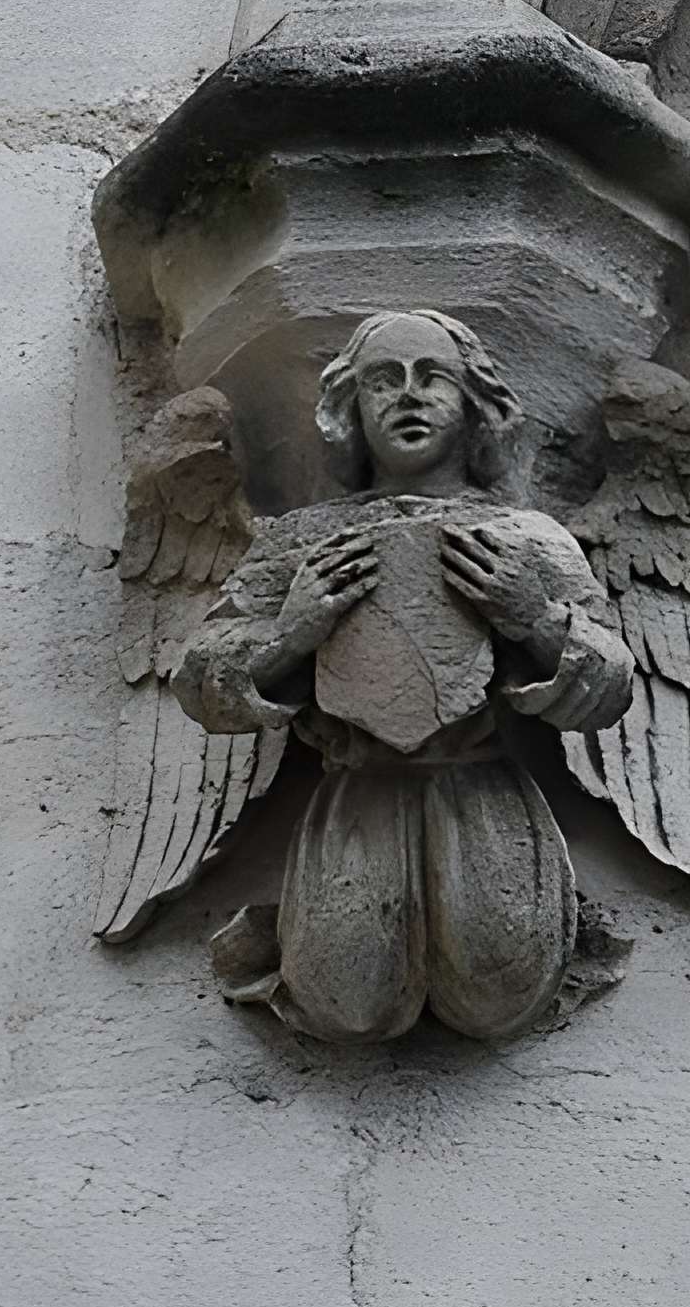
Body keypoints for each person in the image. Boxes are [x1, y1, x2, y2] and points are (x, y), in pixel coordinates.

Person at [172, 310, 633, 1043]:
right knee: (346, 1002)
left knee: (498, 988)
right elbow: (199, 677)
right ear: (350, 409)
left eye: (433, 377)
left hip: (480, 789)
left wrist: (533, 617)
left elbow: (611, 682)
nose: (408, 396)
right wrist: (291, 634)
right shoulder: (304, 541)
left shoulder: (526, 538)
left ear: (473, 402)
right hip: (357, 792)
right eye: (382, 380)